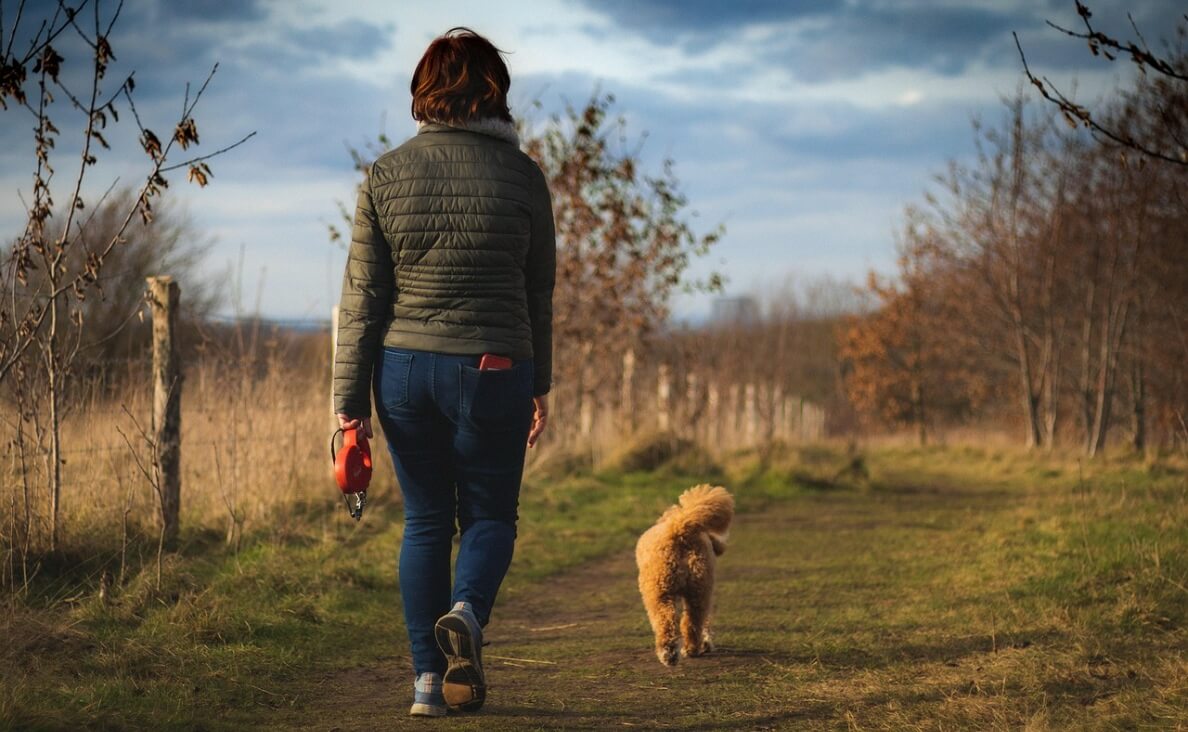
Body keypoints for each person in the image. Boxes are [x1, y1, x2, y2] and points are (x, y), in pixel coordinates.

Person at [332, 27, 555, 718]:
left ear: (424, 94)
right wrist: (539, 380)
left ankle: (428, 683)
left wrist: (348, 403)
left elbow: (362, 297)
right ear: (495, 94)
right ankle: (466, 611)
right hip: (493, 367)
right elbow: (537, 289)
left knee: (425, 521)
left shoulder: (386, 174)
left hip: (402, 372)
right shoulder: (524, 177)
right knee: (490, 515)